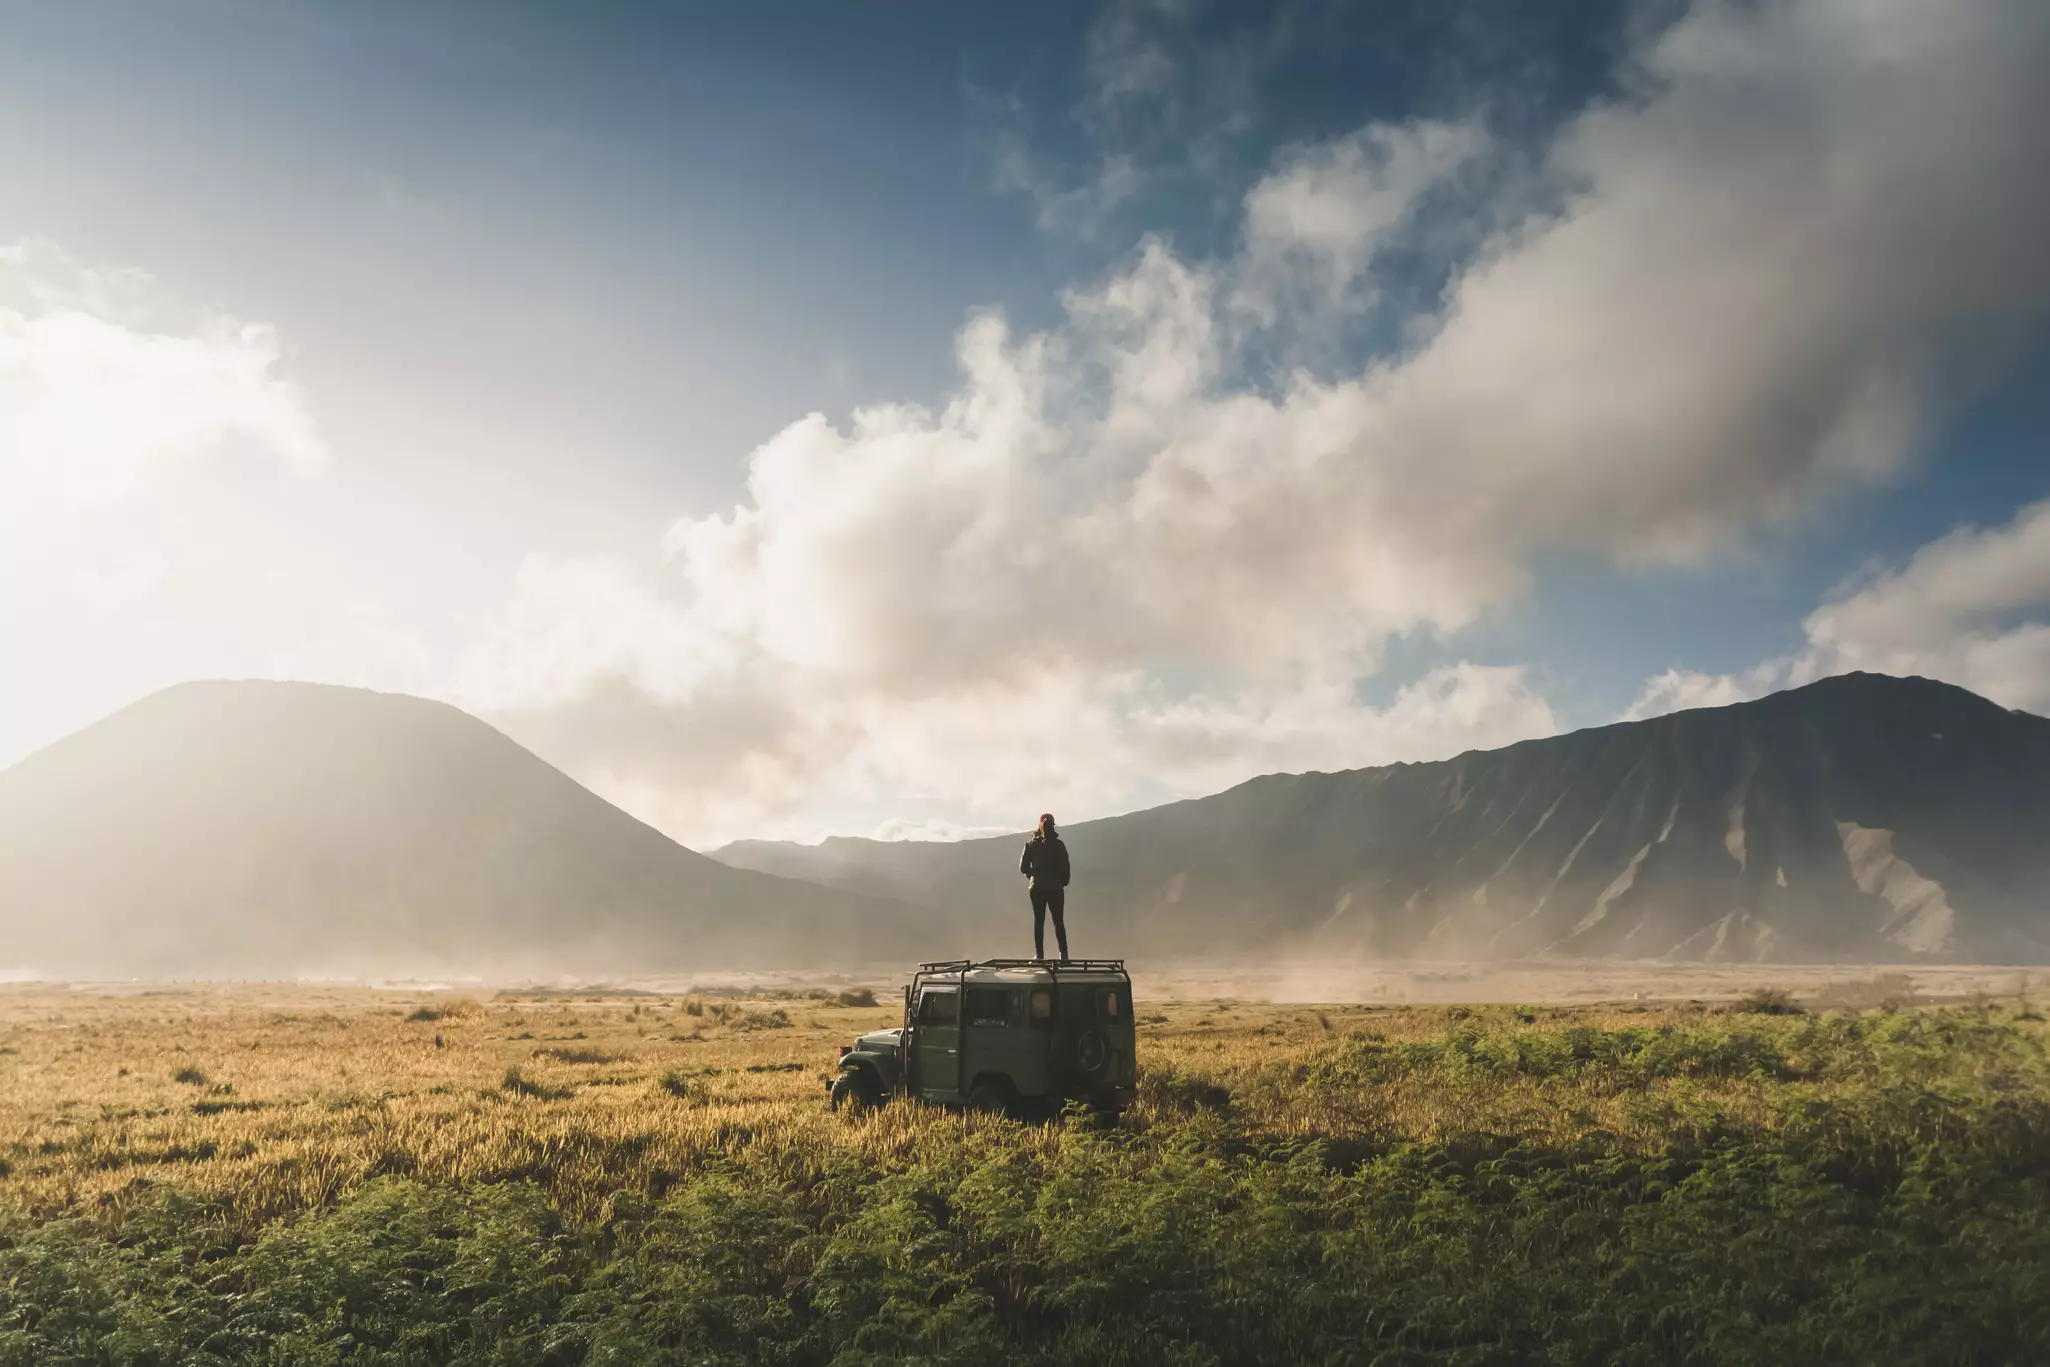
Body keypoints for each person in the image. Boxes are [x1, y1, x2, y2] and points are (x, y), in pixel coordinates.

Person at [1019, 812, 1071, 961]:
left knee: (1039, 921)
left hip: (1036, 888)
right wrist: (1061, 882)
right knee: (1058, 921)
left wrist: (1033, 877)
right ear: (1053, 826)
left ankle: (1039, 955)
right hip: (1055, 888)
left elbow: (1023, 867)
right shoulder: (1059, 845)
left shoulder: (1030, 845)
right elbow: (1065, 868)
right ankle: (1064, 955)